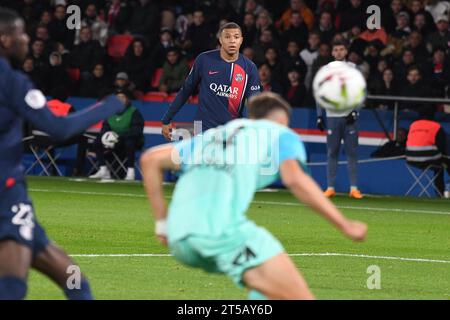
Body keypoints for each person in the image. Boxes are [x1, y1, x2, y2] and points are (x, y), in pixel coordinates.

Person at [140, 92, 367, 300]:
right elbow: (296, 180)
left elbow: (150, 160)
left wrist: (162, 224)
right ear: (281, 120)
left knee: (265, 293)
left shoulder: (215, 135)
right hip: (220, 232)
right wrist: (344, 225)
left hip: (179, 240)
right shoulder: (279, 133)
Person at [0, 8, 124, 300]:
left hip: (16, 205)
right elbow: (57, 128)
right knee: (16, 289)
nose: (26, 39)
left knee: (74, 279)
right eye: (20, 33)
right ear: (5, 39)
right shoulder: (11, 81)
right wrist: (109, 106)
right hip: (6, 201)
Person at [161, 22, 262, 140]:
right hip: (201, 127)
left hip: (232, 131)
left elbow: (254, 103)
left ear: (241, 40)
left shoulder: (249, 68)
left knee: (227, 159)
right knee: (198, 158)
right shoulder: (204, 59)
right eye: (227, 37)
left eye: (236, 37)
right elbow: (186, 90)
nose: (232, 41)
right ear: (220, 40)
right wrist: (166, 119)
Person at [316, 39, 364, 199]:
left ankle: (354, 188)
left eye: (341, 49)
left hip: (350, 116)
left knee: (351, 152)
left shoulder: (354, 69)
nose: (338, 52)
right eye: (335, 49)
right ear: (332, 52)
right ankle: (330, 187)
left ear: (346, 51)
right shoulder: (325, 69)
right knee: (332, 152)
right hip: (332, 116)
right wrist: (319, 115)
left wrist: (356, 111)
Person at [89, 89, 144, 181]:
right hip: (113, 140)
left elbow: (137, 130)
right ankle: (103, 169)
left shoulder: (134, 112)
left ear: (127, 99)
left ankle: (130, 171)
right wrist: (106, 137)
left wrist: (119, 137)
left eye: (123, 97)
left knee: (129, 142)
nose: (120, 99)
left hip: (129, 139)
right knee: (98, 141)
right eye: (118, 97)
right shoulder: (110, 112)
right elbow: (105, 127)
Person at [405, 111, 450, 196]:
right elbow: (441, 146)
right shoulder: (436, 126)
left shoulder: (413, 125)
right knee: (443, 165)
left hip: (410, 159)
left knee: (439, 165)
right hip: (429, 159)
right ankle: (440, 194)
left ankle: (439, 194)